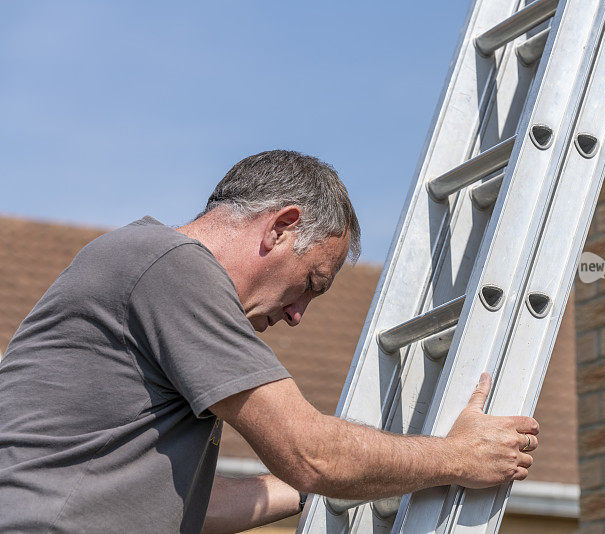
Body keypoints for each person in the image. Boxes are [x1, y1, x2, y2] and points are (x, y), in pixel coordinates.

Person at [0, 150, 539, 533]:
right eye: (311, 283)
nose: (299, 315)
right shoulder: (173, 268)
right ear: (281, 227)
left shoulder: (143, 268)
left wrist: (320, 490)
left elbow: (189, 507)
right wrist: (458, 457)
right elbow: (311, 454)